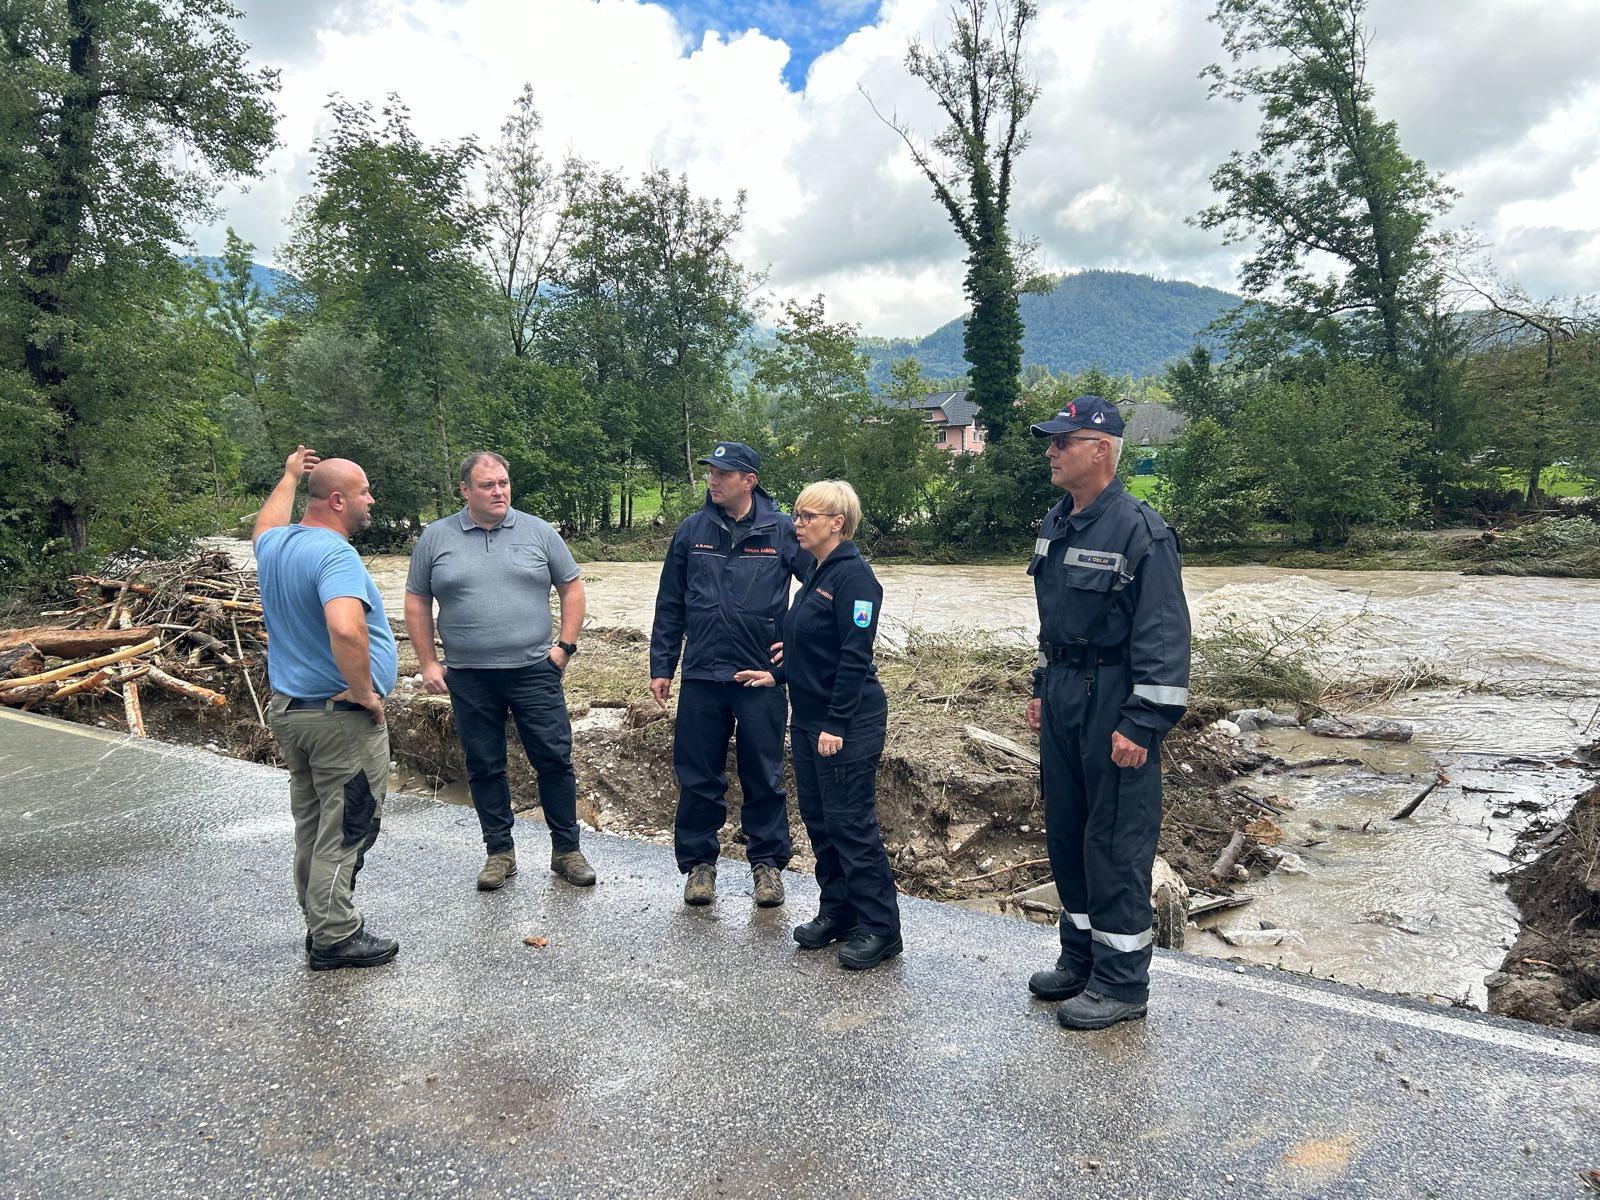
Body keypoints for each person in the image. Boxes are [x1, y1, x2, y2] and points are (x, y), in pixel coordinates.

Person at [1024, 396, 1191, 1030]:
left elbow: (1164, 637)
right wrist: (1043, 682)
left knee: (1116, 842)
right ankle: (1081, 960)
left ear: (1101, 450)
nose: (1052, 450)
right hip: (1065, 690)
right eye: (1053, 441)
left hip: (1114, 699)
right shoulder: (1058, 522)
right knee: (1067, 832)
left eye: (1063, 442)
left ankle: (1122, 986)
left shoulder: (1140, 531)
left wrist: (1143, 721)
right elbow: (1053, 620)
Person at [404, 452, 596, 891]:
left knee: (554, 759)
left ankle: (566, 850)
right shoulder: (436, 538)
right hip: (469, 674)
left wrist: (564, 648)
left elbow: (571, 586)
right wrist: (429, 662)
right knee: (484, 765)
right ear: (465, 490)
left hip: (534, 670)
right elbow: (416, 600)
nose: (498, 492)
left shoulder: (538, 531)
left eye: (504, 483)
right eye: (488, 485)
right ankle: (499, 853)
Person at [737, 480, 901, 971]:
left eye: (808, 516)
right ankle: (839, 912)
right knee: (821, 821)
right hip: (810, 720)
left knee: (852, 824)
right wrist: (777, 673)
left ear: (838, 523)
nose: (797, 523)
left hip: (845, 722)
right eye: (796, 514)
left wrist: (837, 723)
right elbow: (811, 648)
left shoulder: (855, 579)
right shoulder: (816, 574)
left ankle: (880, 927)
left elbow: (854, 657)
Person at [254, 445, 400, 971]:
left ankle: (319, 922)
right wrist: (364, 691)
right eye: (364, 492)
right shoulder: (335, 554)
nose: (372, 500)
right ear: (337, 500)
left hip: (293, 713)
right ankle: (336, 936)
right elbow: (344, 625)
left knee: (314, 825)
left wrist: (290, 475)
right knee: (349, 825)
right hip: (338, 720)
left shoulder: (277, 546)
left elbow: (263, 525)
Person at [650, 442, 806, 908]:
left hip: (759, 675)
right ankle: (700, 865)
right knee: (698, 775)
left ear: (749, 480)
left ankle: (768, 866)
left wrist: (794, 648)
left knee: (764, 772)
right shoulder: (691, 531)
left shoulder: (781, 530)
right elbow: (670, 604)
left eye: (722, 473)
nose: (713, 480)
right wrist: (663, 666)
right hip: (701, 674)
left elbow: (822, 588)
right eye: (711, 473)